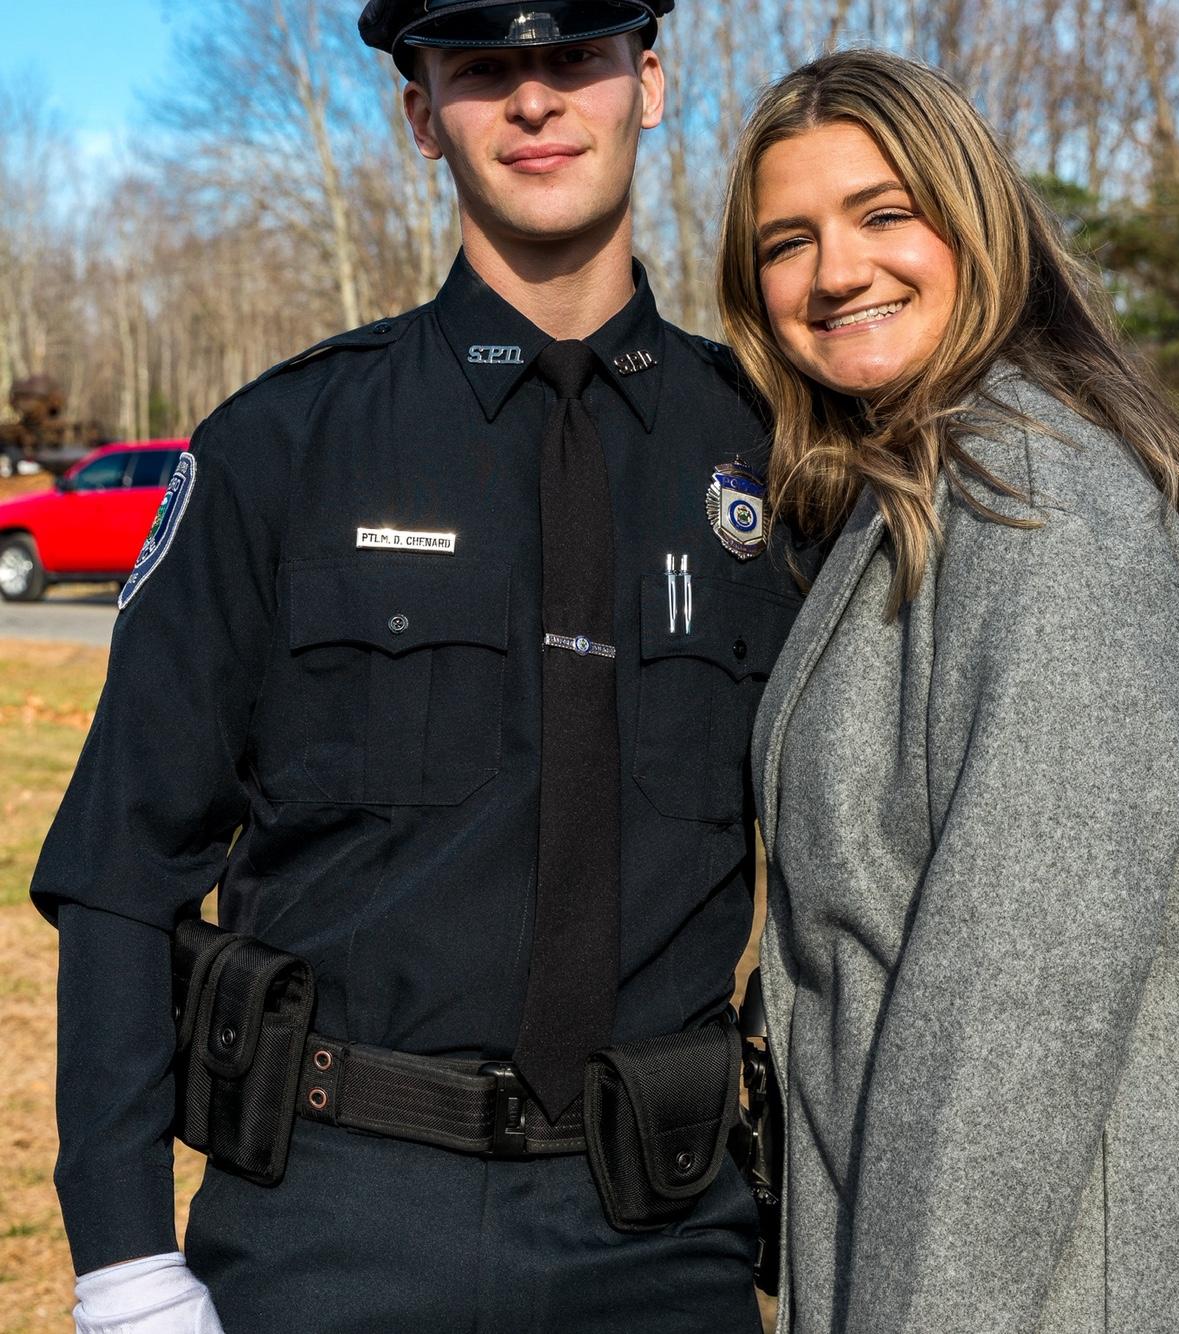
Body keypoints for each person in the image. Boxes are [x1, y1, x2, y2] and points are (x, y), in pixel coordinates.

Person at [31, 3, 810, 1330]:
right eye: (483, 68)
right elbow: (123, 863)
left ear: (648, 82)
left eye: (574, 58)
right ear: (419, 116)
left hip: (666, 1240)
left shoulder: (773, 457)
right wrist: (125, 1267)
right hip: (334, 1223)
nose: (534, 100)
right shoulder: (282, 448)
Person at [715, 48, 1179, 1334]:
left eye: (882, 213)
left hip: (1047, 1287)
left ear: (976, 223)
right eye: (787, 240)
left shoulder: (1038, 508)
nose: (834, 271)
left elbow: (1010, 1028)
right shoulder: (923, 482)